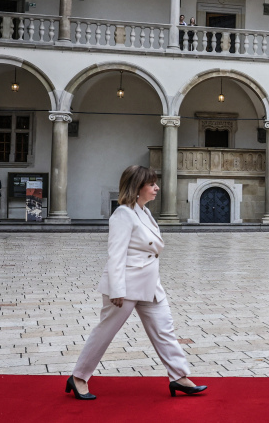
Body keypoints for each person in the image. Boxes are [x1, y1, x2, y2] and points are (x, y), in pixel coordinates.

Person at [67, 165, 207, 400]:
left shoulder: (143, 211)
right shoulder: (123, 214)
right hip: (126, 286)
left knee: (164, 329)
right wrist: (117, 289)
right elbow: (116, 254)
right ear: (137, 187)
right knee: (105, 332)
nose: (157, 188)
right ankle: (79, 377)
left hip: (150, 284)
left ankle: (179, 377)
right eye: (151, 184)